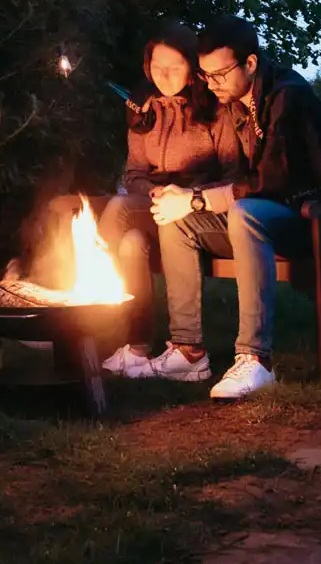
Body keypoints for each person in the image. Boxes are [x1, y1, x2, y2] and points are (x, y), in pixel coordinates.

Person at [150, 15, 321, 400]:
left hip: (319, 216)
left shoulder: (287, 97)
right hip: (272, 218)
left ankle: (255, 359)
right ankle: (188, 351)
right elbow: (242, 179)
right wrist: (184, 199)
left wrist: (197, 199)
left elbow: (272, 182)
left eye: (219, 74)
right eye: (205, 75)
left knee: (245, 213)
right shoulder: (237, 101)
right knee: (177, 220)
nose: (211, 84)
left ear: (250, 63)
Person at [92, 21, 240, 380]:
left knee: (126, 229)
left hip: (202, 212)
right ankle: (139, 348)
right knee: (126, 226)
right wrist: (153, 192)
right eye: (157, 67)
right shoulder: (145, 109)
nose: (164, 75)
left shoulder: (215, 108)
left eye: (174, 66)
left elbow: (235, 172)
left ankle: (88, 313)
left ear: (192, 66)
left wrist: (188, 196)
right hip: (155, 204)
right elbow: (135, 173)